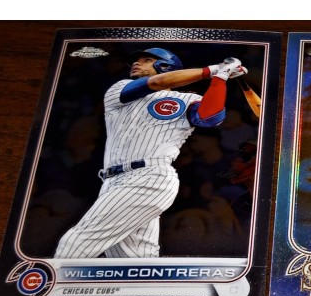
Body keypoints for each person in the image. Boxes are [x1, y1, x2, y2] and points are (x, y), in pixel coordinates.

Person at [54, 48, 247, 258]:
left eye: (146, 60)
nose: (136, 63)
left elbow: (210, 118)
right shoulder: (119, 90)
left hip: (150, 176)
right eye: (136, 60)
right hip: (113, 181)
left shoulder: (185, 99)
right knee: (134, 260)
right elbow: (156, 83)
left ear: (165, 66)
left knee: (79, 241)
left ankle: (48, 280)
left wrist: (220, 77)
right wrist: (212, 70)